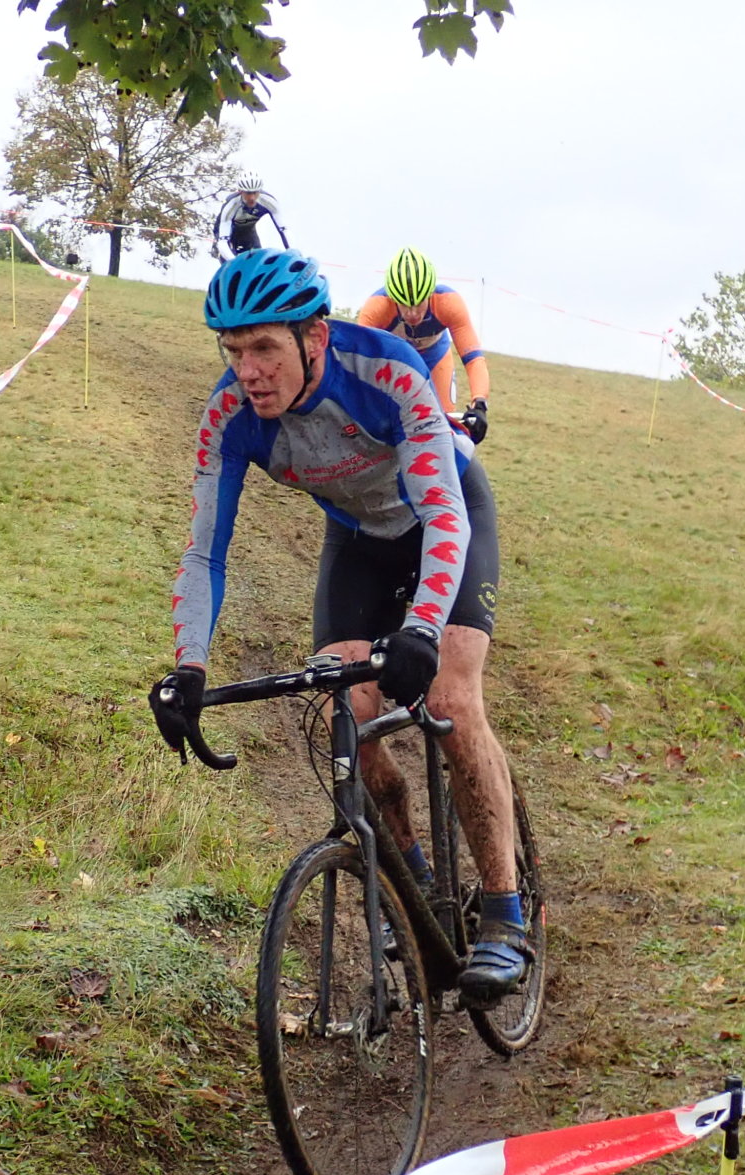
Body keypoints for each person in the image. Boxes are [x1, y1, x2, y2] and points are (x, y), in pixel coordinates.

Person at [149, 248, 530, 1002]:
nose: (248, 369)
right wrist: (188, 666)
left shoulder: (387, 373)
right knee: (339, 712)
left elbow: (443, 512)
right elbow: (203, 552)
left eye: (263, 347)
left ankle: (503, 912)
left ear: (314, 338)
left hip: (445, 517)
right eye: (233, 350)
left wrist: (422, 628)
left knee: (451, 701)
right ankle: (412, 875)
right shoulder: (231, 415)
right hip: (358, 538)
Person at [356, 247, 490, 441]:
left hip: (436, 359)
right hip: (396, 364)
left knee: (444, 433)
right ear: (392, 298)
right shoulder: (376, 309)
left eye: (419, 303)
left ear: (430, 294)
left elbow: (474, 360)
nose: (412, 313)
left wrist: (480, 404)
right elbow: (359, 366)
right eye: (404, 304)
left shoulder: (448, 303)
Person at [213, 175, 288, 260]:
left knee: (258, 257)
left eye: (255, 192)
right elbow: (223, 241)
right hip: (226, 230)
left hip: (247, 230)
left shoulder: (269, 201)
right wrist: (233, 261)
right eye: (248, 193)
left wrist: (291, 251)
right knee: (227, 257)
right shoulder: (231, 205)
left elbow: (284, 230)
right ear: (240, 191)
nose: (252, 197)